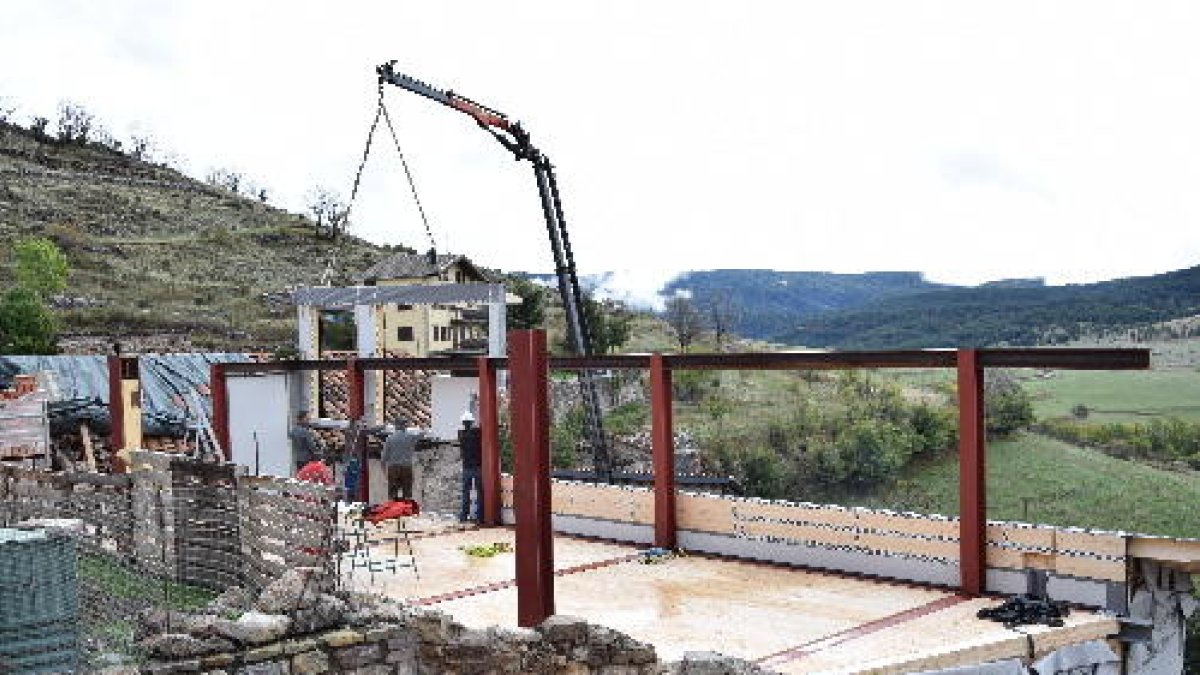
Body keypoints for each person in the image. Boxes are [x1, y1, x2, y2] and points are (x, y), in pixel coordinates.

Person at [382, 417, 423, 500]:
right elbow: (422, 434)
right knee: (407, 493)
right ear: (405, 426)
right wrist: (420, 425)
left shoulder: (389, 438)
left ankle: (393, 510)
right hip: (406, 467)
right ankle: (406, 510)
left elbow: (384, 458)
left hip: (393, 468)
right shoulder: (411, 437)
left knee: (392, 494)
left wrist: (384, 471)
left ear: (396, 426)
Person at [458, 411, 483, 522]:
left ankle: (464, 516)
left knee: (466, 492)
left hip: (466, 468)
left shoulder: (461, 434)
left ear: (463, 423)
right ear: (471, 422)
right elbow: (480, 431)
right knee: (480, 492)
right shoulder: (476, 433)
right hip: (478, 467)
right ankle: (480, 516)